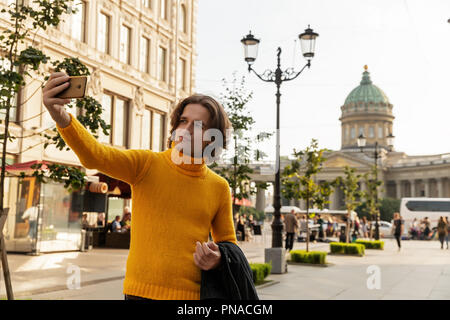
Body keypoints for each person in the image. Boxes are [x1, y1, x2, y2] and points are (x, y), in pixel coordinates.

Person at [43, 74, 238, 300]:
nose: (187, 129)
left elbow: (228, 244)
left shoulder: (219, 186)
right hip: (140, 294)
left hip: (193, 297)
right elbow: (95, 155)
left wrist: (218, 259)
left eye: (199, 125)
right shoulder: (146, 164)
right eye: (183, 121)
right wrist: (61, 116)